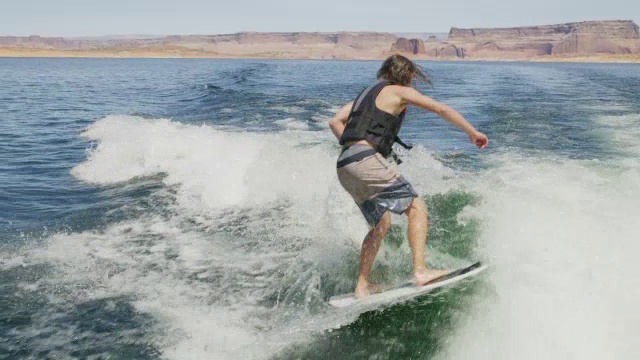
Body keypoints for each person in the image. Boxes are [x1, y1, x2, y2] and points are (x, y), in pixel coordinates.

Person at [329, 54, 488, 298]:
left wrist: (355, 145)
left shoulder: (363, 97)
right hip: (364, 161)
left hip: (344, 165)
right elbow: (441, 108)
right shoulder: (399, 91)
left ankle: (362, 286)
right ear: (405, 76)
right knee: (416, 207)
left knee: (380, 225)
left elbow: (335, 121)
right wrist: (471, 132)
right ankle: (421, 271)